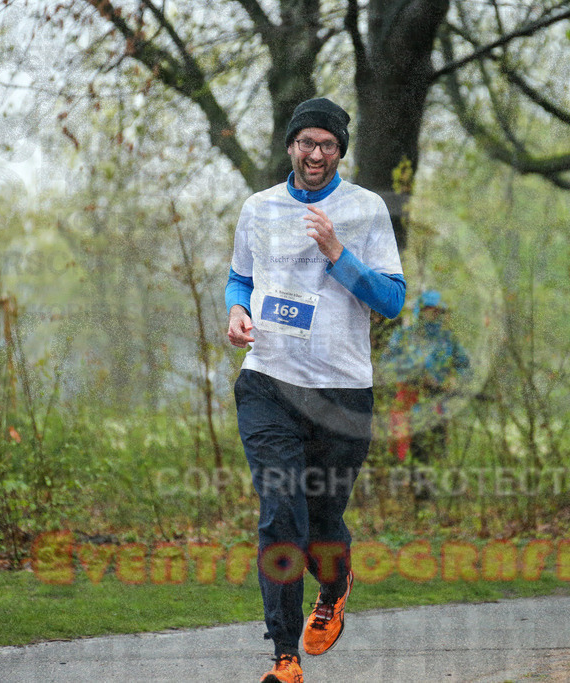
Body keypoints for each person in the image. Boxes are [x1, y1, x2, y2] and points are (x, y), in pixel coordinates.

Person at [225, 97, 405, 683]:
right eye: (307, 142)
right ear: (291, 146)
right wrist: (236, 310)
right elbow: (240, 277)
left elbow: (392, 300)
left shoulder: (366, 209)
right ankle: (285, 656)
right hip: (268, 382)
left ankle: (334, 585)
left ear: (339, 152)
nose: (316, 153)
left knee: (323, 521)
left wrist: (337, 254)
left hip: (341, 392)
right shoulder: (258, 208)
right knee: (281, 517)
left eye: (328, 144)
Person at [381, 290, 470, 464]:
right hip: (407, 398)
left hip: (436, 402)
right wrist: (411, 373)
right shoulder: (403, 336)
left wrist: (453, 380)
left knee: (433, 452)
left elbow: (464, 366)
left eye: (439, 311)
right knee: (402, 451)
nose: (436, 314)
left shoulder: (447, 340)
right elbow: (386, 363)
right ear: (421, 311)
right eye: (432, 310)